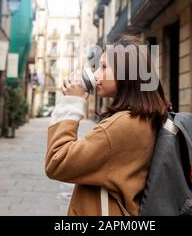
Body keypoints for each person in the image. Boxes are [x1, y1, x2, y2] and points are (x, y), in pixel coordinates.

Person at [45, 36, 170, 216]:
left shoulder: (122, 125)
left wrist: (71, 103)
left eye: (104, 67)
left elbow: (56, 162)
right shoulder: (146, 117)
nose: (96, 76)